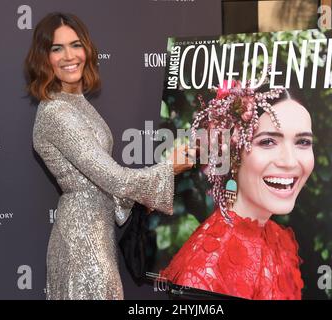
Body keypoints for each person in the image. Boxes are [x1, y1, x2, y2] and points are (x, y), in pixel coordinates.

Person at [26, 12, 193, 300]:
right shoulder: (56, 112)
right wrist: (168, 169)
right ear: (44, 59)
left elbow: (103, 180)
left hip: (95, 232)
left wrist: (141, 197)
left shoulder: (76, 102)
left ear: (87, 50)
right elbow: (114, 178)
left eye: (75, 45)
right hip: (82, 243)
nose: (69, 55)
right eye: (57, 48)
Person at [161, 80, 314, 300]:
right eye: (268, 141)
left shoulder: (278, 239)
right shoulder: (208, 270)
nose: (290, 162)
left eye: (303, 142)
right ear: (232, 154)